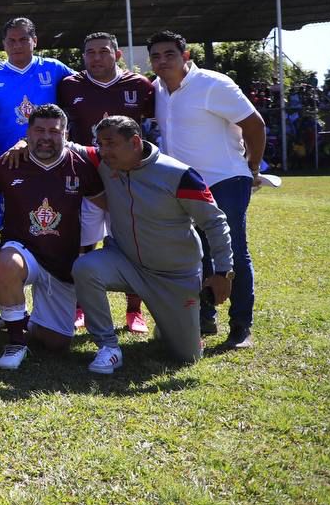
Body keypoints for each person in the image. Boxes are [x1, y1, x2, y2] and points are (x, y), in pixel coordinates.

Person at [72, 116, 234, 373]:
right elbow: (67, 146)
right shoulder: (104, 161)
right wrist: (23, 144)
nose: (103, 151)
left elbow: (215, 222)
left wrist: (223, 272)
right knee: (85, 267)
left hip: (175, 276)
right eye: (100, 144)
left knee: (186, 357)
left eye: (110, 143)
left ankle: (170, 324)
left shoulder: (180, 175)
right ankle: (108, 347)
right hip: (125, 263)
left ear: (135, 142)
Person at [149, 30, 265, 348]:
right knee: (196, 253)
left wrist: (252, 167)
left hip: (226, 180)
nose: (162, 61)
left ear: (186, 56)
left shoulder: (214, 84)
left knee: (232, 250)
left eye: (169, 54)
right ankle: (204, 317)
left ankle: (241, 327)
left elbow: (254, 124)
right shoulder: (157, 89)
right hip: (184, 185)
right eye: (156, 56)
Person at [0, 104, 105, 370]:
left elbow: (107, 203)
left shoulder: (81, 166)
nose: (46, 137)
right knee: (8, 262)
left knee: (57, 343)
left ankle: (22, 320)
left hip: (61, 262)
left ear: (66, 135)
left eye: (54, 131)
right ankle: (16, 341)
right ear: (27, 133)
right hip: (22, 249)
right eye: (39, 130)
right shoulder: (11, 162)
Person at [58, 31, 157, 333]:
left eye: (103, 51)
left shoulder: (140, 86)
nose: (96, 57)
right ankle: (80, 307)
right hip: (85, 178)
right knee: (82, 244)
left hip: (127, 178)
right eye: (90, 52)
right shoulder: (69, 85)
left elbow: (155, 126)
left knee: (129, 242)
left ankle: (134, 310)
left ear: (117, 54)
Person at [0, 18, 73, 231]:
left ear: (35, 41)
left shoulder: (55, 69)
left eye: (23, 39)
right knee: (10, 226)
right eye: (11, 40)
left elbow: (79, 95)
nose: (17, 45)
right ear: (4, 44)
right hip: (7, 163)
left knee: (52, 223)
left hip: (50, 161)